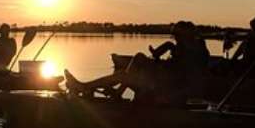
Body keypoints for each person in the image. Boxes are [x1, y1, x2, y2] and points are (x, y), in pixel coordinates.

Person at [64, 21, 210, 103]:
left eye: (177, 35)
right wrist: (163, 54)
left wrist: (168, 54)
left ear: (187, 35)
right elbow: (167, 65)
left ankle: (85, 87)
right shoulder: (184, 48)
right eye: (175, 35)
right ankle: (116, 90)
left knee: (123, 75)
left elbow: (182, 73)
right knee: (136, 60)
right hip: (160, 83)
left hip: (165, 90)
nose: (175, 38)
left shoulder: (194, 50)